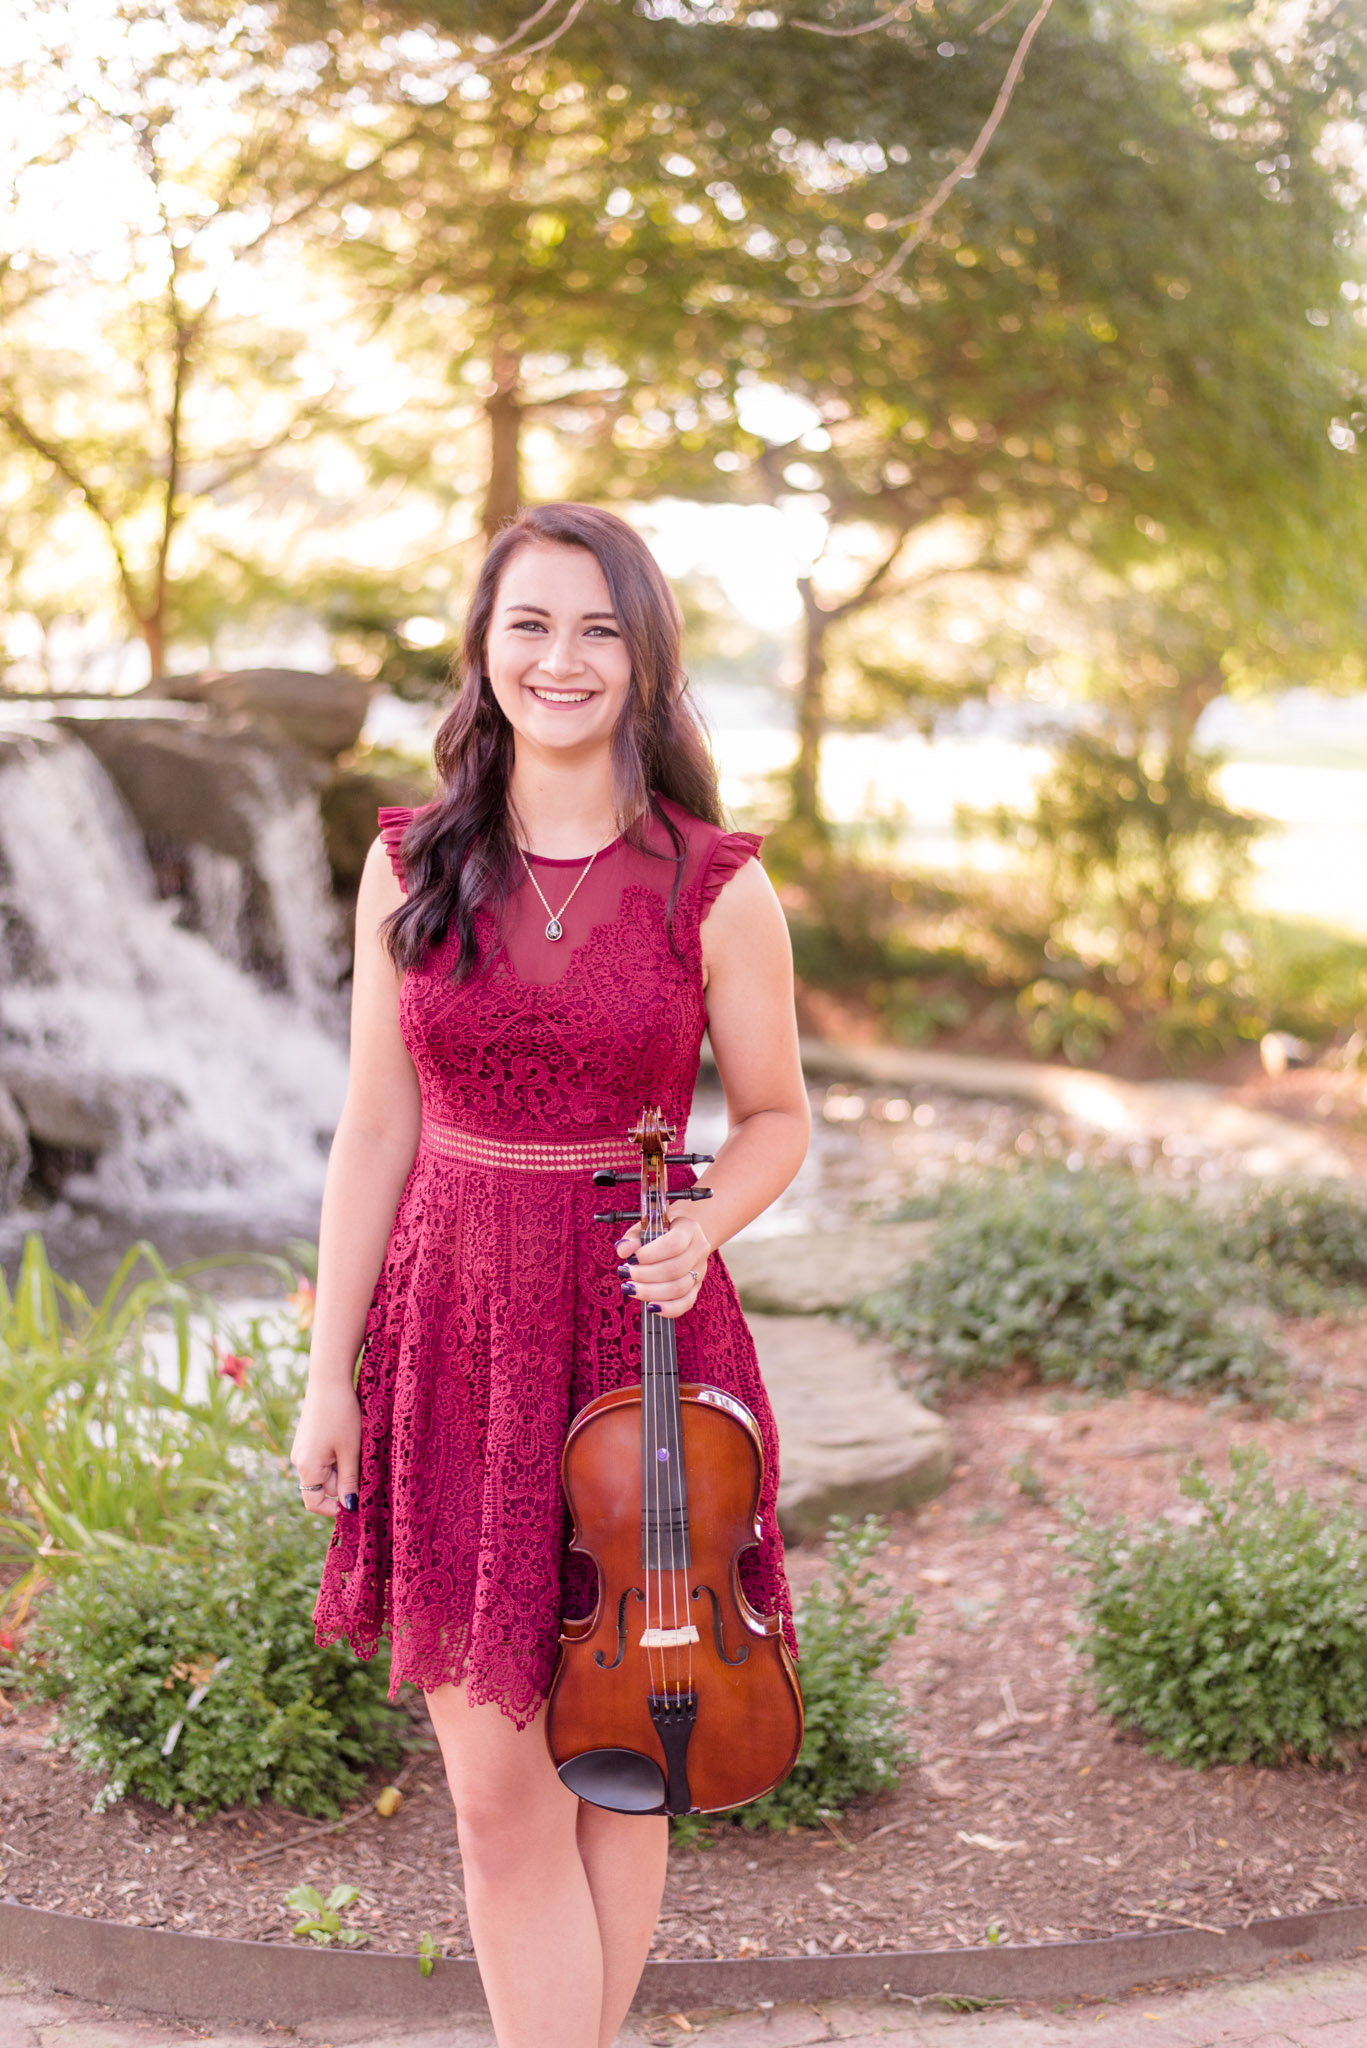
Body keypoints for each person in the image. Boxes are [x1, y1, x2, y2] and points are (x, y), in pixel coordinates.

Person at [290, 502, 809, 2048]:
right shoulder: (411, 868)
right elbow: (374, 1128)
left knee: (622, 1769)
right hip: (447, 1335)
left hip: (632, 1343)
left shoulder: (715, 885)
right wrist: (329, 1376)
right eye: (530, 623)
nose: (561, 658)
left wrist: (706, 1223)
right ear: (485, 648)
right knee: (501, 1800)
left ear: (642, 661)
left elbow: (777, 1119)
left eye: (598, 629)